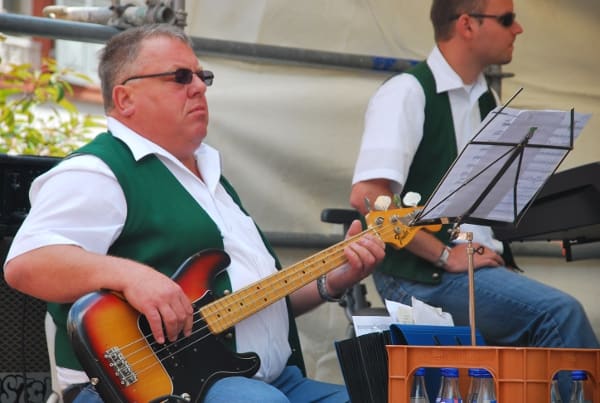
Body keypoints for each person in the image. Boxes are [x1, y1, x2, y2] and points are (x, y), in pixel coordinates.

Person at [3, 24, 385, 403]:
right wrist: (131, 276)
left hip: (268, 382)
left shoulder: (209, 177)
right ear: (125, 99)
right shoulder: (98, 171)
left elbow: (246, 302)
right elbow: (26, 263)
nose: (199, 87)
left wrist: (330, 281)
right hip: (149, 389)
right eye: (180, 77)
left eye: (203, 76)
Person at [351, 0, 598, 354]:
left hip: (470, 267)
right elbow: (367, 197)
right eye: (508, 19)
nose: (519, 29)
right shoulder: (406, 92)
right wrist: (444, 256)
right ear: (467, 25)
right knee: (560, 315)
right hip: (421, 276)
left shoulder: (486, 100)